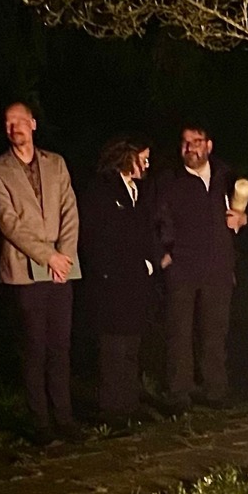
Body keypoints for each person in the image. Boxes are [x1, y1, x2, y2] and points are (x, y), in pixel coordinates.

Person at [0, 100, 81, 444]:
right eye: (9, 123)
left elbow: (70, 210)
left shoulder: (56, 163)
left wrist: (64, 255)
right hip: (25, 269)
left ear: (34, 124)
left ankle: (64, 418)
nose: (15, 128)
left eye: (20, 121)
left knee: (60, 347)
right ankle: (40, 422)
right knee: (35, 347)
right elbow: (8, 222)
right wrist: (47, 255)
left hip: (62, 267)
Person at [155, 121, 248, 410]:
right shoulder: (170, 181)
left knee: (215, 332)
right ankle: (179, 393)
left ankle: (215, 390)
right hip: (182, 267)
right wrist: (165, 255)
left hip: (218, 266)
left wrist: (244, 218)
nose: (190, 148)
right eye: (185, 142)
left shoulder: (226, 176)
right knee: (179, 333)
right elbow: (156, 219)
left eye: (196, 142)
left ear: (208, 146)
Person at [79, 135, 159, 426]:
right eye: (143, 159)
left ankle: (129, 403)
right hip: (112, 281)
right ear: (127, 156)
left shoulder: (136, 190)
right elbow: (98, 237)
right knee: (113, 345)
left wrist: (149, 264)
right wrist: (116, 269)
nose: (147, 165)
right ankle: (112, 408)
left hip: (135, 281)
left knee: (131, 344)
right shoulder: (102, 189)